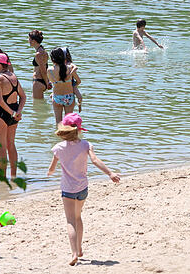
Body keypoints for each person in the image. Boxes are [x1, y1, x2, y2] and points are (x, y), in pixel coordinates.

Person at [47, 113, 120, 266]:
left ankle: (74, 253)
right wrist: (110, 173)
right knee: (78, 217)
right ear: (78, 130)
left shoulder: (58, 148)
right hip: (82, 188)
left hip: (68, 189)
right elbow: (95, 160)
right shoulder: (86, 145)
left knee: (70, 221)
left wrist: (49, 173)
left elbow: (52, 168)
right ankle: (79, 249)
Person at [0, 52, 24, 179]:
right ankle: (13, 177)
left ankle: (3, 179)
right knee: (11, 144)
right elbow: (23, 97)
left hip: (1, 114)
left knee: (2, 149)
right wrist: (18, 112)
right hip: (14, 113)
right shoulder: (13, 77)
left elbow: (0, 101)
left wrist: (12, 113)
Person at [48, 47, 81, 123]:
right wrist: (73, 86)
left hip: (57, 97)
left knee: (58, 123)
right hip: (69, 97)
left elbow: (54, 83)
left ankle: (58, 134)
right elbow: (78, 81)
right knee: (69, 122)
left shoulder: (50, 70)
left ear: (52, 59)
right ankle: (69, 134)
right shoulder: (70, 68)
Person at [28, 30, 51, 100]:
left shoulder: (38, 54)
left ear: (34, 41)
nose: (28, 41)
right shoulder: (44, 51)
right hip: (43, 80)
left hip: (38, 81)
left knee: (36, 107)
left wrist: (47, 83)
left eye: (29, 39)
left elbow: (43, 70)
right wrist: (47, 81)